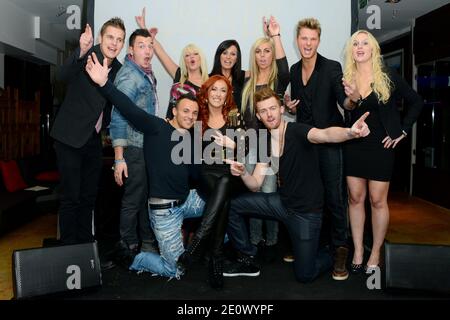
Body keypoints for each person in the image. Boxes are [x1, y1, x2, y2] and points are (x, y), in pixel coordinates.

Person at [223, 87, 370, 283]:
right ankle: (247, 255)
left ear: (281, 109)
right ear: (258, 115)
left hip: (306, 213)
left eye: (272, 108)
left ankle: (332, 252)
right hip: (282, 204)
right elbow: (255, 184)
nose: (269, 114)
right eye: (264, 111)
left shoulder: (298, 131)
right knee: (232, 204)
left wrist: (350, 132)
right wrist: (243, 173)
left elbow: (326, 134)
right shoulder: (264, 142)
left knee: (305, 274)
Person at [341, 30, 423, 274]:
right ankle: (357, 248)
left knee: (378, 201)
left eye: (365, 43)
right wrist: (352, 99)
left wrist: (403, 131)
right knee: (355, 198)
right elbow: (346, 108)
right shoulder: (347, 77)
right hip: (355, 144)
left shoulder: (389, 75)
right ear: (351, 50)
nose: (360, 46)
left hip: (381, 146)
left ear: (374, 49)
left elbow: (416, 101)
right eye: (355, 43)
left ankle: (375, 250)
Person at [286, 17, 357, 280]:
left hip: (330, 141)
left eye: (312, 39)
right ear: (297, 40)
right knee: (310, 196)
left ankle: (340, 249)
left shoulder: (331, 67)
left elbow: (345, 103)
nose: (308, 43)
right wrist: (288, 108)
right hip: (307, 142)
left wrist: (353, 98)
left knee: (335, 198)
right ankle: (310, 244)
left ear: (318, 40)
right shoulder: (294, 70)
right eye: (303, 38)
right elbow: (299, 107)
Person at [50, 18, 125, 245]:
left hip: (93, 141)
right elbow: (59, 78)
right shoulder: (87, 55)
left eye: (119, 39)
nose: (114, 43)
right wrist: (80, 51)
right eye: (110, 37)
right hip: (69, 138)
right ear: (102, 37)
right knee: (70, 198)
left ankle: (84, 249)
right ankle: (68, 251)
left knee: (88, 198)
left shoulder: (119, 70)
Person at [178, 75, 248, 289]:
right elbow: (191, 148)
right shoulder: (199, 117)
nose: (218, 94)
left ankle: (198, 240)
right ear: (206, 94)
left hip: (230, 173)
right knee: (222, 197)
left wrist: (233, 145)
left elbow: (247, 148)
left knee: (226, 181)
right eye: (214, 90)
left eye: (223, 91)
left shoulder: (235, 115)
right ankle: (215, 259)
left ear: (227, 96)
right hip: (206, 174)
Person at [241, 16, 290, 259]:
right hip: (250, 146)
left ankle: (271, 241)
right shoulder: (248, 83)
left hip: (270, 146)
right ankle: (253, 239)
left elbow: (284, 66)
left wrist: (275, 36)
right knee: (253, 194)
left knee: (269, 195)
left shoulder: (277, 80)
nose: (262, 55)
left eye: (267, 51)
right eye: (258, 51)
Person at [109, 28, 159, 261]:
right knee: (133, 199)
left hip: (143, 147)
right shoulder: (130, 76)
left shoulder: (143, 72)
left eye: (150, 46)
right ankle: (127, 247)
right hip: (134, 148)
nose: (147, 50)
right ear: (130, 49)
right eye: (141, 45)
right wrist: (119, 158)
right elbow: (117, 117)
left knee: (142, 197)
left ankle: (145, 243)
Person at [135, 8, 208, 119]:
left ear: (201, 58)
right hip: (171, 129)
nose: (191, 57)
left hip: (196, 132)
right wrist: (144, 28)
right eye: (187, 55)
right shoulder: (179, 74)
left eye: (195, 54)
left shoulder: (209, 82)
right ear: (184, 61)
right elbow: (161, 52)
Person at [209, 39, 248, 108]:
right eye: (225, 53)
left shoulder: (244, 76)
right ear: (219, 56)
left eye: (233, 54)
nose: (228, 57)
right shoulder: (208, 79)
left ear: (237, 59)